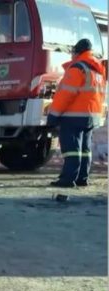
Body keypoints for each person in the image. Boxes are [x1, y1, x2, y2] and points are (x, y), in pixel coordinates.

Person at [47, 38, 107, 188]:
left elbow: (65, 95)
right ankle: (82, 178)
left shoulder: (77, 68)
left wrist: (53, 115)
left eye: (73, 52)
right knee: (85, 149)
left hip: (74, 116)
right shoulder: (97, 69)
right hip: (92, 116)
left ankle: (67, 180)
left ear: (78, 52)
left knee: (71, 149)